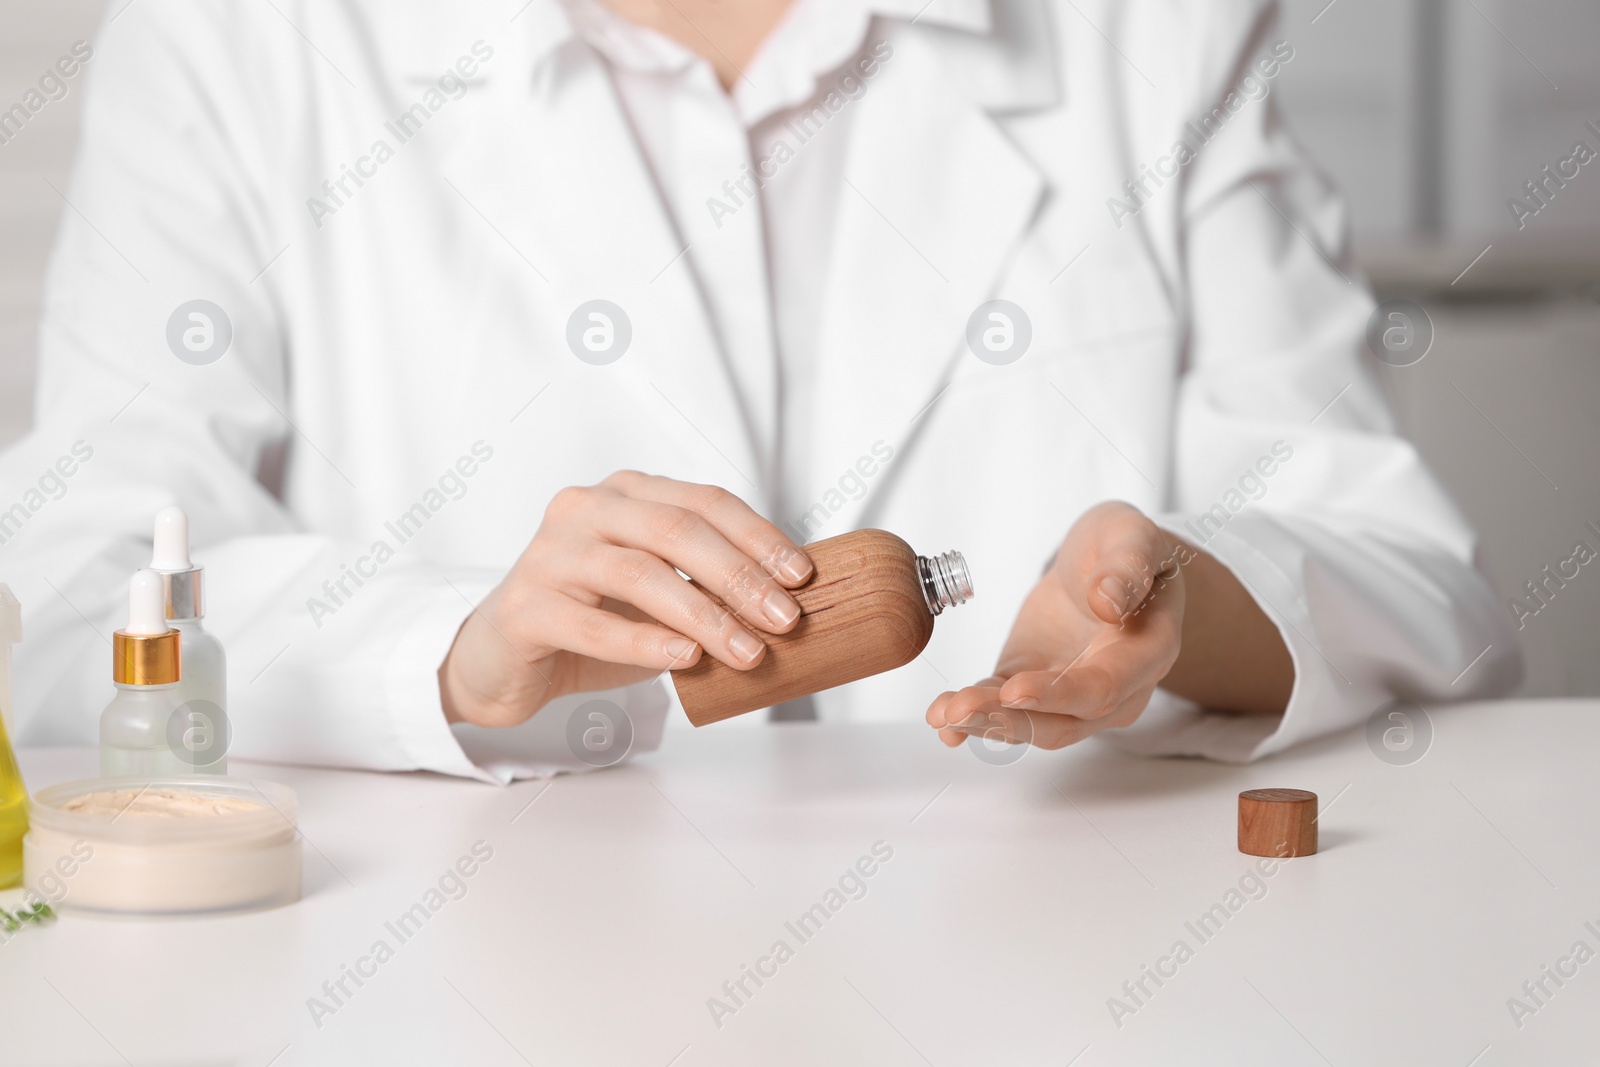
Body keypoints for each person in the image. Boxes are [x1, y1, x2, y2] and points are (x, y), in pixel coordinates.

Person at [0, 0, 1518, 782]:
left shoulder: (1147, 29)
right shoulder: (240, 38)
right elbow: (82, 610)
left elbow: (1418, 586)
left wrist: (1193, 597)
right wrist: (448, 657)